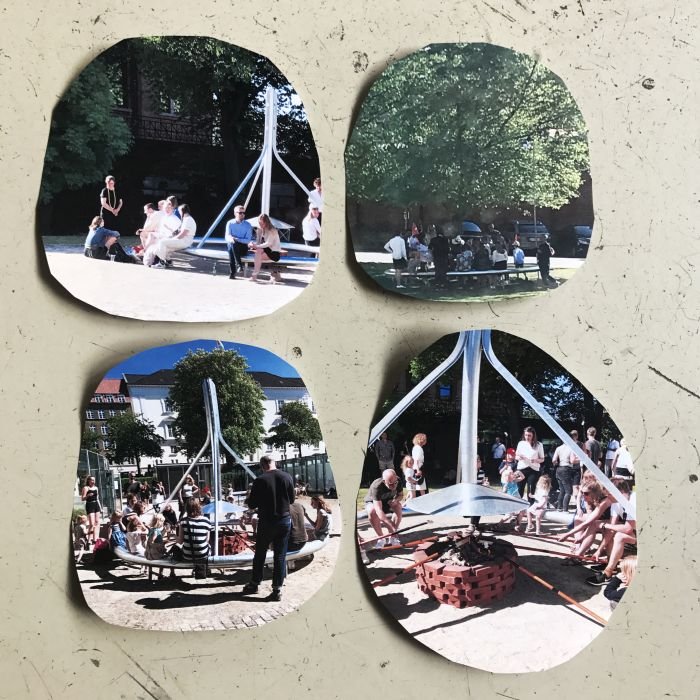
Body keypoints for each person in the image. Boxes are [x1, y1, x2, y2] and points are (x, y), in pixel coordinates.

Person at [241, 456, 295, 601]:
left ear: (263, 465)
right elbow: (292, 499)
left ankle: (254, 583)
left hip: (267, 522)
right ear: (274, 463)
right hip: (284, 520)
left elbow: (252, 504)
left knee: (260, 553)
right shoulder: (287, 477)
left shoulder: (260, 480)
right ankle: (277, 589)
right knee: (280, 555)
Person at [363, 469, 403, 549]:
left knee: (398, 506)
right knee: (372, 511)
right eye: (391, 484)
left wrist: (396, 500)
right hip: (373, 503)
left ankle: (393, 536)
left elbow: (401, 495)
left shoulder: (397, 480)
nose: (394, 486)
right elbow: (378, 510)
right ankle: (381, 538)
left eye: (395, 483)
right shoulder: (377, 486)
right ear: (384, 481)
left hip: (387, 501)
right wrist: (389, 525)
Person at [150, 204, 197, 268]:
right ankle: (169, 262)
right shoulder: (186, 219)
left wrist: (172, 239)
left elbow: (182, 234)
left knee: (162, 242)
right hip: (183, 240)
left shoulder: (188, 220)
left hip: (185, 241)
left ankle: (162, 263)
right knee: (159, 248)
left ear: (182, 211)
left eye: (179, 211)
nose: (179, 212)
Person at [177, 497, 212, 579]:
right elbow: (207, 540)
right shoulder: (206, 521)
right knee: (209, 546)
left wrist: (174, 537)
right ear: (199, 507)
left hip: (187, 555)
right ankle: (207, 569)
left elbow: (180, 541)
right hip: (202, 555)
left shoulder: (183, 521)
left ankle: (196, 569)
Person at [143, 199, 181, 267]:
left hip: (169, 237)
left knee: (157, 241)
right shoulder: (164, 217)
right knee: (151, 236)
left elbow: (175, 233)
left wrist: (167, 230)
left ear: (172, 208)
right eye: (165, 208)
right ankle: (165, 260)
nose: (166, 209)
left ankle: (161, 260)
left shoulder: (174, 218)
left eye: (168, 207)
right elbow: (160, 229)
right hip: (163, 236)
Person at [248, 213, 283, 283]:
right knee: (258, 253)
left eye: (262, 223)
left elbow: (268, 243)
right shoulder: (260, 229)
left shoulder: (272, 230)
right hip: (265, 250)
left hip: (274, 253)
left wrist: (256, 246)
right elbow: (258, 242)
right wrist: (252, 244)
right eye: (259, 223)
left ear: (266, 222)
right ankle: (255, 276)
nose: (260, 225)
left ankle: (254, 276)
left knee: (258, 252)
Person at [515, 426, 545, 502]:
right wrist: (520, 457)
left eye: (529, 435)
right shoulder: (521, 443)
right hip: (522, 468)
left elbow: (542, 459)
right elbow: (516, 456)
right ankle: (518, 507)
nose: (527, 437)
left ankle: (530, 507)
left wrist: (535, 460)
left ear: (533, 435)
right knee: (519, 489)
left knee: (531, 489)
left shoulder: (539, 445)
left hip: (533, 469)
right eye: (526, 435)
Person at [224, 205, 254, 279]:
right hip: (233, 245)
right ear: (235, 213)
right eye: (240, 213)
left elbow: (247, 240)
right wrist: (232, 239)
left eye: (243, 213)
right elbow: (227, 236)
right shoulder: (230, 223)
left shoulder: (248, 225)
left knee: (232, 246)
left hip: (243, 247)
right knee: (232, 244)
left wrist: (237, 239)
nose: (242, 214)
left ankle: (233, 271)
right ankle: (239, 265)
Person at [552, 431, 579, 511]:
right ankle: (565, 509)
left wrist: (558, 462)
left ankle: (559, 507)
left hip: (559, 469)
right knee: (569, 491)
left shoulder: (558, 448)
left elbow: (554, 460)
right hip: (566, 470)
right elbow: (572, 461)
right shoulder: (571, 448)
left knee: (562, 490)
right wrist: (581, 459)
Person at [81, 475, 102, 545]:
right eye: (92, 480)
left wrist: (100, 507)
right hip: (90, 505)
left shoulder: (96, 488)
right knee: (92, 524)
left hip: (96, 504)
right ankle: (89, 539)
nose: (93, 481)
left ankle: (95, 539)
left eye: (94, 480)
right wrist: (87, 496)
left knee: (97, 522)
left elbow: (97, 498)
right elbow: (82, 499)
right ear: (88, 481)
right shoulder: (86, 488)